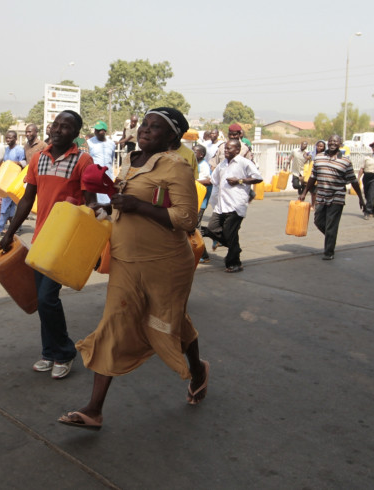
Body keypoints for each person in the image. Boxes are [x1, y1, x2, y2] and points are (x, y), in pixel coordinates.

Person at [57, 107, 207, 430]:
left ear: (172, 137)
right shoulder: (130, 160)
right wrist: (104, 207)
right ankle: (94, 409)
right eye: (144, 124)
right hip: (126, 261)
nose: (146, 130)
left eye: (156, 127)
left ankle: (198, 371)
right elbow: (124, 202)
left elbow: (187, 219)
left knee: (170, 323)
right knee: (114, 322)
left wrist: (139, 206)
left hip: (165, 264)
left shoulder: (177, 167)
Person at [0, 110, 96, 380]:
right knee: (44, 300)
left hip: (66, 242)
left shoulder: (83, 160)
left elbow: (92, 204)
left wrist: (95, 247)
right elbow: (27, 200)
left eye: (66, 127)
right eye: (55, 125)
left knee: (47, 298)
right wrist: (10, 232)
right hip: (41, 238)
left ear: (75, 134)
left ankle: (63, 352)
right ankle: (49, 352)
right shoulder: (39, 159)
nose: (57, 130)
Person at [201, 139, 263, 273]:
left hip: (236, 205)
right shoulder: (222, 164)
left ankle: (234, 263)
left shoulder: (244, 163)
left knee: (230, 234)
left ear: (237, 150)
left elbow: (258, 178)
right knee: (212, 229)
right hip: (221, 205)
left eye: (229, 148)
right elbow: (212, 180)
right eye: (225, 148)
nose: (226, 151)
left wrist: (240, 180)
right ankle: (235, 248)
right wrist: (194, 182)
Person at [299, 135, 363, 260]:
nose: (333, 143)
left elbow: (353, 181)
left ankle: (329, 252)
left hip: (337, 197)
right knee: (318, 221)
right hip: (321, 196)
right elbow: (313, 177)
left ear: (340, 144)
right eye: (331, 141)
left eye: (336, 141)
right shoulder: (319, 157)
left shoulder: (345, 161)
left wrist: (361, 197)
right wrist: (304, 192)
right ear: (327, 143)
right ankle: (331, 237)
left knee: (331, 225)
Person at [0, 130, 26, 237]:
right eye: (7, 138)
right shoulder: (6, 150)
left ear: (15, 139)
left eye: (10, 138)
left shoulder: (19, 150)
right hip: (6, 181)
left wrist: (14, 163)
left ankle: (12, 227)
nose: (8, 140)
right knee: (6, 205)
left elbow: (24, 163)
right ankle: (0, 229)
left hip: (16, 182)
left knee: (14, 206)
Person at [87, 120, 116, 205]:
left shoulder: (112, 144)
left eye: (99, 130)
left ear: (104, 131)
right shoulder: (89, 143)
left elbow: (111, 159)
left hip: (108, 177)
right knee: (96, 203)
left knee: (108, 203)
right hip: (95, 177)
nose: (96, 132)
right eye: (96, 130)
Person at [194, 145, 212, 263]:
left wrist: (192, 180)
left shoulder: (204, 166)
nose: (193, 153)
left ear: (201, 154)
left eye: (195, 152)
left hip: (201, 201)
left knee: (196, 227)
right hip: (195, 200)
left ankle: (203, 254)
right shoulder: (196, 164)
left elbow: (208, 181)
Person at [357, 141, 374, 219]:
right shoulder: (367, 157)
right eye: (373, 146)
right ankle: (372, 210)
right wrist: (358, 179)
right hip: (367, 176)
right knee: (368, 195)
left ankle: (367, 212)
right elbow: (362, 168)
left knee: (372, 194)